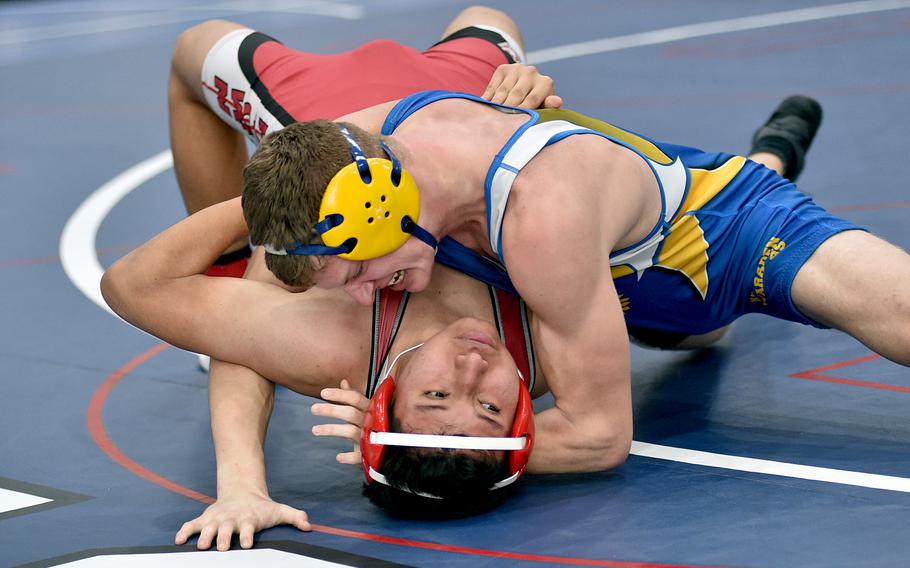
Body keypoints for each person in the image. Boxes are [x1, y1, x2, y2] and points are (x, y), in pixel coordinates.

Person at [240, 90, 910, 496]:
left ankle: (768, 162)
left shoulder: (540, 218)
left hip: (733, 231)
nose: (363, 296)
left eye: (358, 271)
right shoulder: (367, 143)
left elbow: (599, 435)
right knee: (700, 335)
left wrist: (405, 450)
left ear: (380, 208)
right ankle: (769, 153)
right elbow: (263, 268)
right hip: (623, 291)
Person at [168, 7, 561, 277]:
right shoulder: (526, 215)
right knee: (488, 19)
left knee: (194, 44)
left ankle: (225, 276)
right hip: (461, 84)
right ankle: (225, 278)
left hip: (331, 98)